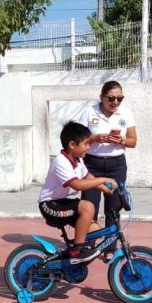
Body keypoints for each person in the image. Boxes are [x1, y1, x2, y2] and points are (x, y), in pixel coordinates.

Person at [38, 121, 117, 264]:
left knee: (95, 230)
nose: (88, 147)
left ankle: (71, 265)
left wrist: (107, 189)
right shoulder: (61, 162)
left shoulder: (78, 161)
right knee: (88, 206)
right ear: (72, 145)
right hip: (50, 205)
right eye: (86, 143)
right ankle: (77, 250)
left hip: (64, 203)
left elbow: (88, 177)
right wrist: (104, 179)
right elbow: (78, 185)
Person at [75, 80, 136, 225]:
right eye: (111, 98)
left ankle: (111, 240)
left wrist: (121, 141)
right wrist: (94, 138)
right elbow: (78, 139)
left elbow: (133, 141)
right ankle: (89, 239)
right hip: (92, 165)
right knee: (89, 207)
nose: (115, 102)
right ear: (101, 97)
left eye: (120, 98)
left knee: (114, 209)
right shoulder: (89, 112)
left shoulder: (126, 113)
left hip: (117, 166)